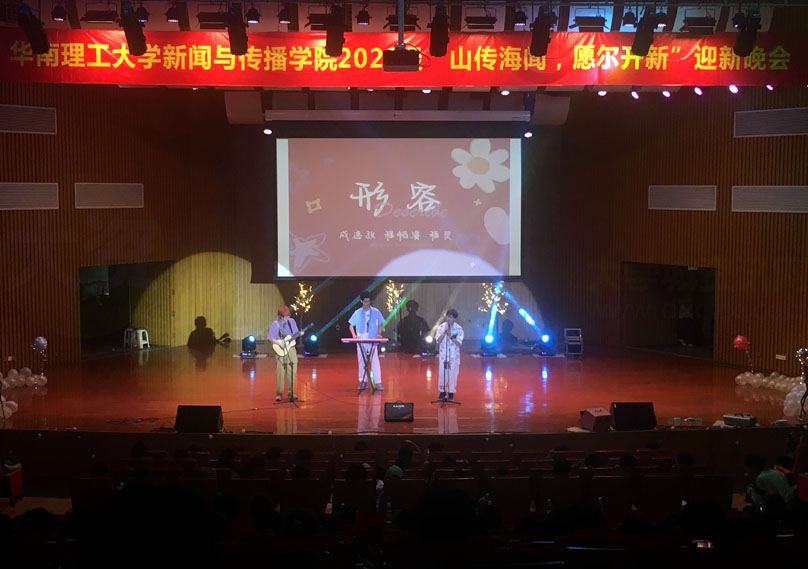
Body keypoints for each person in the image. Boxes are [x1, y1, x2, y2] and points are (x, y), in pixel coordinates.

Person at [348, 291, 384, 392]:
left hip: (372, 337)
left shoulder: (376, 311)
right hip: (361, 338)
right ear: (361, 301)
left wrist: (379, 333)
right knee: (361, 360)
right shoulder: (357, 312)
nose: (367, 303)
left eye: (368, 301)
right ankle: (363, 381)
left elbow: (380, 323)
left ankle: (378, 382)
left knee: (375, 360)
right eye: (365, 301)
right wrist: (354, 335)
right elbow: (351, 325)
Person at [268, 306, 299, 402]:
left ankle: (291, 392)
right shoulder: (275, 324)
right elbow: (271, 338)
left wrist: (299, 334)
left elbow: (295, 333)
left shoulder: (292, 322)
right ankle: (279, 393)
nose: (287, 318)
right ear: (280, 316)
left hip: (291, 349)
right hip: (280, 350)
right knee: (280, 372)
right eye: (285, 317)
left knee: (292, 370)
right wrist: (279, 343)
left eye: (288, 316)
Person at [435, 308, 463, 401]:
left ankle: (451, 393)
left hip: (453, 357)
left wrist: (450, 335)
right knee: (442, 374)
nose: (449, 319)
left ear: (454, 319)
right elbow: (438, 340)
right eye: (448, 317)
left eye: (451, 317)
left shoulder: (459, 329)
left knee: (453, 375)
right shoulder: (441, 327)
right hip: (443, 356)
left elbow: (459, 343)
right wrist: (444, 333)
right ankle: (442, 392)